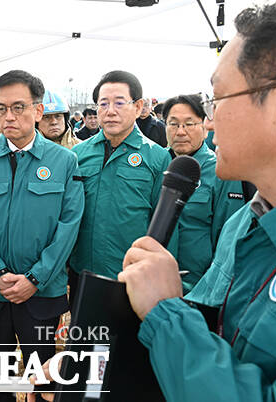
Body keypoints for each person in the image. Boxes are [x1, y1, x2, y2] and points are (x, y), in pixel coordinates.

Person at [115, 2, 276, 400]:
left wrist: (165, 314)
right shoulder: (245, 223)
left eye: (218, 98)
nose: (208, 121)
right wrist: (101, 372)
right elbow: (212, 334)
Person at [0, 70, 84, 402]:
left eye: (19, 107)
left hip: (40, 294)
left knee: (42, 378)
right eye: (1, 108)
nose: (8, 116)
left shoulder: (65, 162)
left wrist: (35, 278)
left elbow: (69, 226)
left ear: (38, 111)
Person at [67, 70, 174, 307]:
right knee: (85, 342)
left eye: (119, 103)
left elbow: (166, 226)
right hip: (82, 273)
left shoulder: (157, 158)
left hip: (132, 278)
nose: (110, 111)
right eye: (103, 104)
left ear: (137, 107)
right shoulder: (77, 155)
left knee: (124, 343)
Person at [162, 94, 244, 292]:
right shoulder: (157, 164)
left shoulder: (220, 171)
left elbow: (228, 235)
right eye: (173, 124)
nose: (180, 132)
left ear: (205, 127)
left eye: (189, 124)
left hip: (198, 284)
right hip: (155, 278)